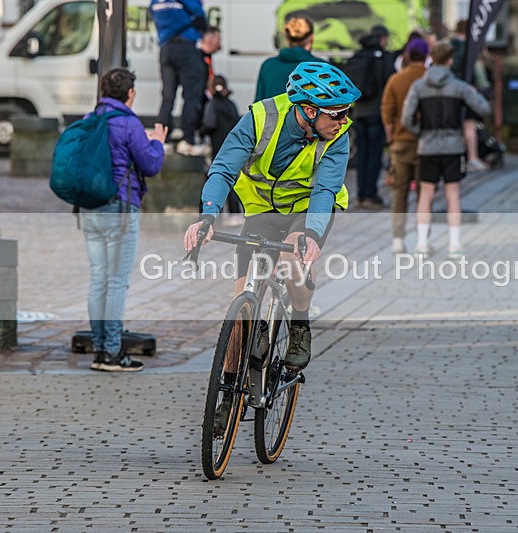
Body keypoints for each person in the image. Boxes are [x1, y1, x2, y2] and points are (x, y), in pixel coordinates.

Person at [185, 62, 361, 373]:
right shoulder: (261, 118)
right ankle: (225, 398)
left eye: (347, 112)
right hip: (264, 209)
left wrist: (312, 235)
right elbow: (223, 169)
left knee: (293, 258)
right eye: (336, 114)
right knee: (240, 313)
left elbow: (325, 190)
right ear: (308, 110)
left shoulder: (339, 137)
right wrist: (207, 217)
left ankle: (299, 325)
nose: (344, 121)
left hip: (308, 209)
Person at [82, 68, 166, 371]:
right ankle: (113, 353)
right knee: (116, 281)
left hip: (89, 208)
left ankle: (100, 347)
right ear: (129, 92)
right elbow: (150, 164)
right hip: (119, 208)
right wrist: (157, 142)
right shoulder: (128, 123)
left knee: (98, 279)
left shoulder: (90, 119)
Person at [401, 41, 491, 260]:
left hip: (427, 146)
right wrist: (472, 92)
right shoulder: (459, 87)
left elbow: (406, 118)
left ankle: (421, 244)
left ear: (432, 57)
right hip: (453, 146)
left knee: (426, 195)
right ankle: (455, 244)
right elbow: (484, 108)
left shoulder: (419, 86)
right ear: (450, 60)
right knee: (453, 194)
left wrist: (420, 133)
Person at [381, 38, 429, 254]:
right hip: (425, 143)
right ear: (427, 56)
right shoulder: (428, 79)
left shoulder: (396, 79)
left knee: (399, 192)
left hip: (400, 143)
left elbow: (387, 113)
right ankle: (422, 240)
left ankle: (398, 240)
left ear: (408, 55)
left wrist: (391, 139)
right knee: (424, 193)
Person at [150, 0, 208, 157]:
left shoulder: (155, 2)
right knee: (191, 95)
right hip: (186, 48)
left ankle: (163, 140)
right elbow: (201, 15)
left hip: (166, 49)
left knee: (167, 96)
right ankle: (188, 140)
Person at [348, 25, 396, 209]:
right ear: (382, 38)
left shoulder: (358, 56)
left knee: (362, 156)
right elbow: (389, 83)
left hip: (359, 112)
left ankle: (360, 195)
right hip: (377, 113)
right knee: (375, 155)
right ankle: (371, 194)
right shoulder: (383, 57)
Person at [200, 74, 242, 226]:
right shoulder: (231, 104)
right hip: (233, 147)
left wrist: (201, 132)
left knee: (216, 179)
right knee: (233, 179)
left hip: (218, 149)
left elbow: (210, 124)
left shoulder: (212, 104)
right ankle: (235, 213)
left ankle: (208, 215)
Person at [450, 19, 490, 172]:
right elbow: (478, 72)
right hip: (467, 89)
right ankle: (472, 158)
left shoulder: (449, 44)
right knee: (470, 125)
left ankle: (457, 157)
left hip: (450, 90)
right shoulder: (468, 47)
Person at [254, 15, 324, 102]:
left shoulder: (268, 65)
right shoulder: (321, 67)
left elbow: (258, 105)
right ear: (312, 38)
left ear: (286, 38)